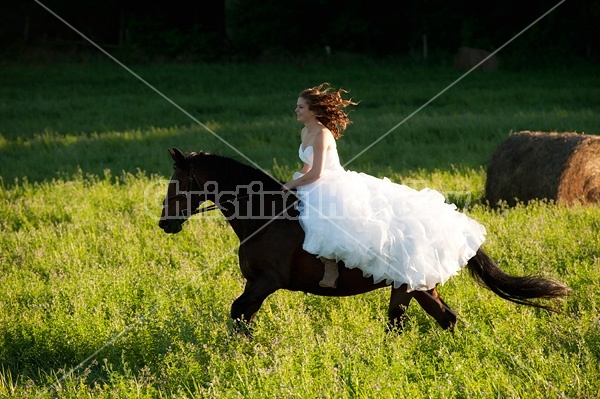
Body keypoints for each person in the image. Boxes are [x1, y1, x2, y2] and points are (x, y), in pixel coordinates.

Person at [283, 83, 486, 290]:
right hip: (314, 183)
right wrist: (295, 181)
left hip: (330, 183)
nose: (296, 110)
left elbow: (318, 172)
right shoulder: (304, 132)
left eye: (300, 107)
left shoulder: (322, 134)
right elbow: (307, 167)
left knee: (325, 219)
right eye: (297, 106)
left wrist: (292, 183)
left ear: (313, 111)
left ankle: (332, 267)